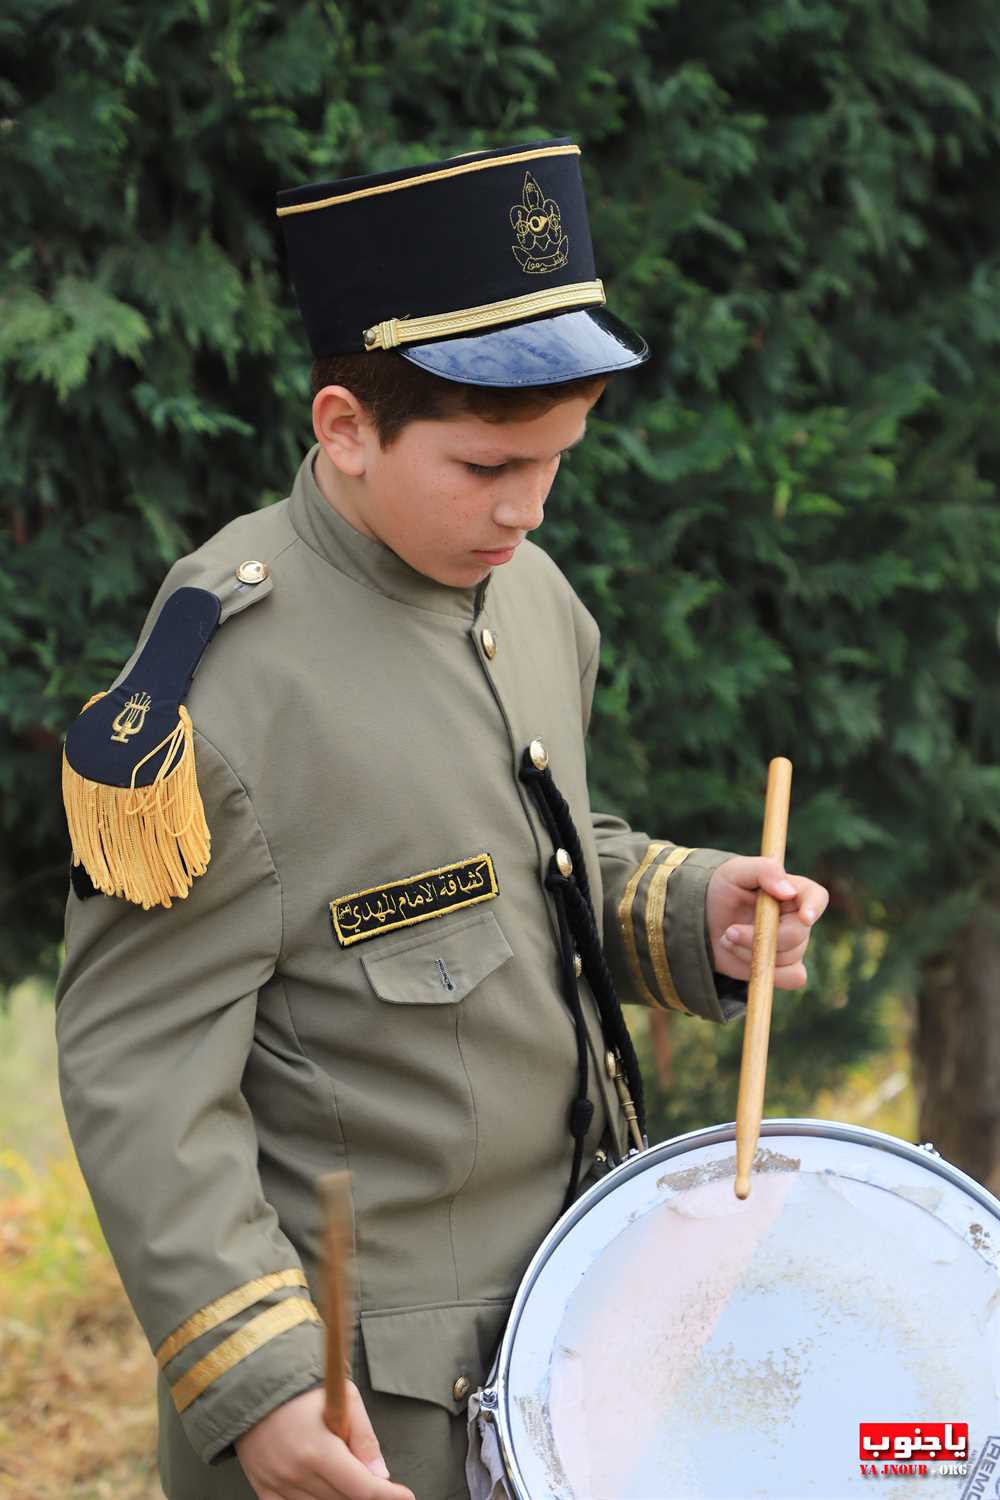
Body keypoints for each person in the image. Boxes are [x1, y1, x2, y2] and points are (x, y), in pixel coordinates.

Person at [55, 137, 828, 1500]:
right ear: (345, 428)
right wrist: (261, 1390)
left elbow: (533, 865)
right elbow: (139, 1074)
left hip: (569, 1342)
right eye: (487, 465)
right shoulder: (222, 695)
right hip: (367, 1418)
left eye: (556, 464)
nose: (526, 510)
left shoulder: (526, 597)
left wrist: (693, 909)